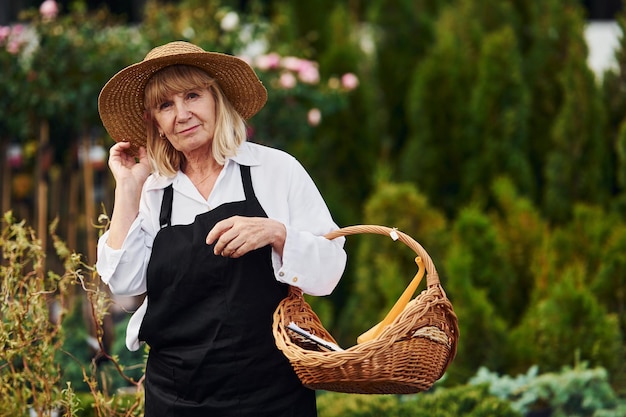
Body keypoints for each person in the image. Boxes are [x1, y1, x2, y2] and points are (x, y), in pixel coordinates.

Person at [96, 41, 347, 417]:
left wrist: (277, 233)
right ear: (155, 123)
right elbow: (123, 281)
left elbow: (329, 270)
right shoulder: (155, 193)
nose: (182, 114)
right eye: (166, 105)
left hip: (271, 395)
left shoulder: (276, 171)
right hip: (176, 398)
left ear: (217, 100)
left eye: (193, 96)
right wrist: (129, 188)